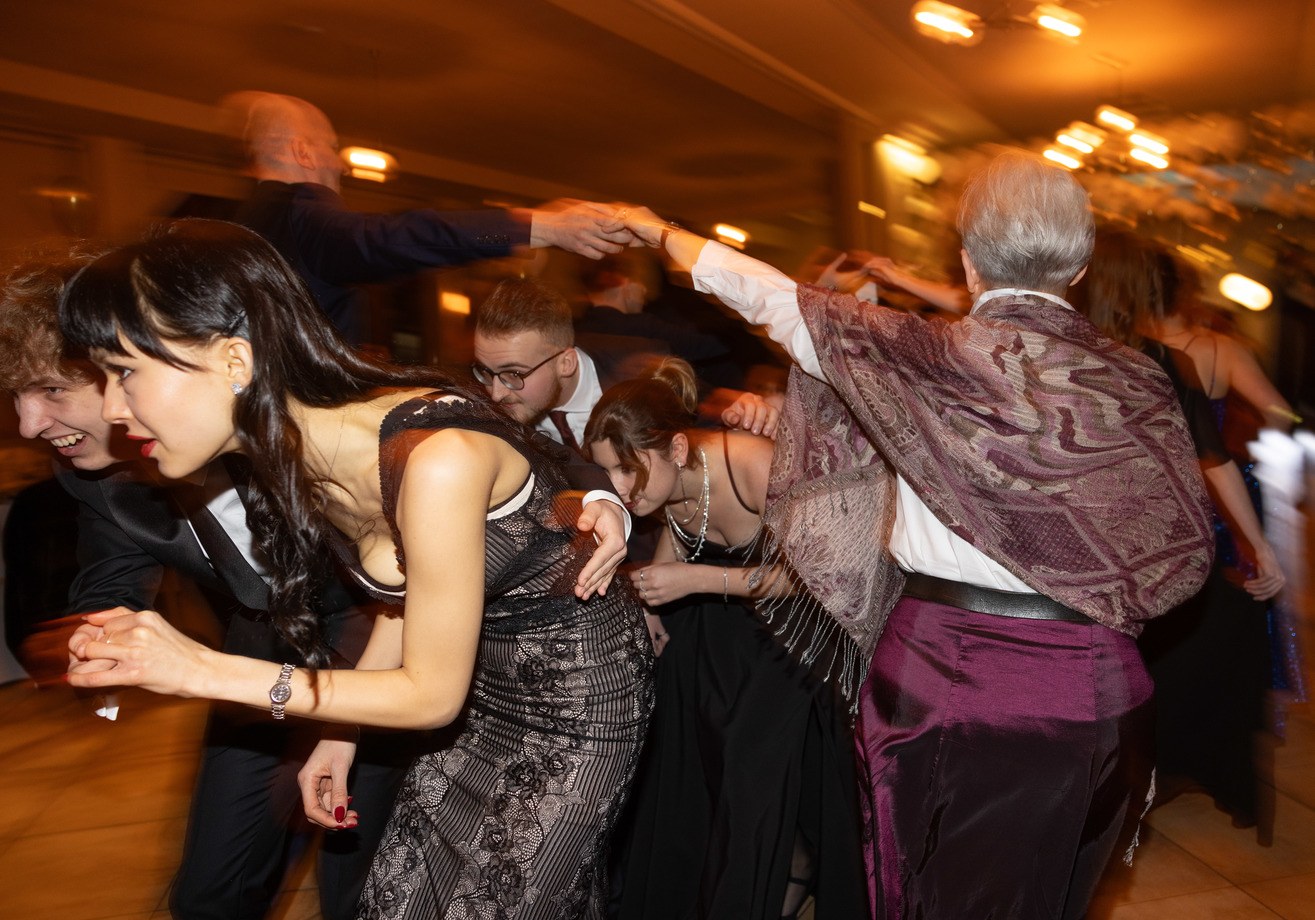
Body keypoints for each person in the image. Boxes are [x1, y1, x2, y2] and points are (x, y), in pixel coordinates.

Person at [610, 152, 1216, 919]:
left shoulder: (922, 356)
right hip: (1097, 680)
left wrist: (658, 232)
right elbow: (1178, 543)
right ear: (1080, 266)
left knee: (927, 890)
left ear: (966, 263)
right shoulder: (1136, 380)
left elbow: (766, 294)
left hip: (945, 669)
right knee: (1048, 892)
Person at [61, 219, 653, 920]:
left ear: (234, 360)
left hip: (575, 711)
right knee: (403, 899)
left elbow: (430, 697)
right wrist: (338, 735)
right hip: (475, 690)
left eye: (125, 372)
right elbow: (405, 596)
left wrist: (199, 669)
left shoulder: (433, 459)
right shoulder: (302, 452)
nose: (110, 408)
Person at [0, 252, 414, 920]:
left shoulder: (290, 421)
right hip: (256, 654)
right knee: (209, 895)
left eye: (50, 390)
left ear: (125, 370)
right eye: (14, 398)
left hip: (381, 635)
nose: (28, 425)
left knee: (361, 882)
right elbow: (110, 572)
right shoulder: (88, 472)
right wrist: (97, 637)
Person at [583, 358, 866, 920]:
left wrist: (695, 581)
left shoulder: (754, 465)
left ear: (677, 448)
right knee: (680, 753)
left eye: (627, 469)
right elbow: (679, 535)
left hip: (792, 634)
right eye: (607, 472)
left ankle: (767, 886)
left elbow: (819, 578)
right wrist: (653, 611)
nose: (618, 488)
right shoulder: (667, 483)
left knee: (748, 783)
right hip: (720, 629)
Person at [1080, 228, 1284, 834]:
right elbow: (1214, 456)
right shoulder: (1161, 357)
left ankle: (1116, 794)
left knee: (1115, 675)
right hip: (1135, 544)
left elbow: (1210, 454)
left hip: (1089, 545)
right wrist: (1260, 543)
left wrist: (1257, 543)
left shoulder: (1061, 348)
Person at [227, 92, 633, 343]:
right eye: (331, 148)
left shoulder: (238, 228)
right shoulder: (299, 210)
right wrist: (540, 226)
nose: (341, 164)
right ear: (302, 152)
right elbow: (397, 239)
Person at [472, 277, 777, 453]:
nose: (495, 393)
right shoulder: (484, 404)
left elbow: (710, 411)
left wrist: (745, 411)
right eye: (486, 371)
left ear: (565, 363)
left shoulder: (644, 371)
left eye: (514, 374)